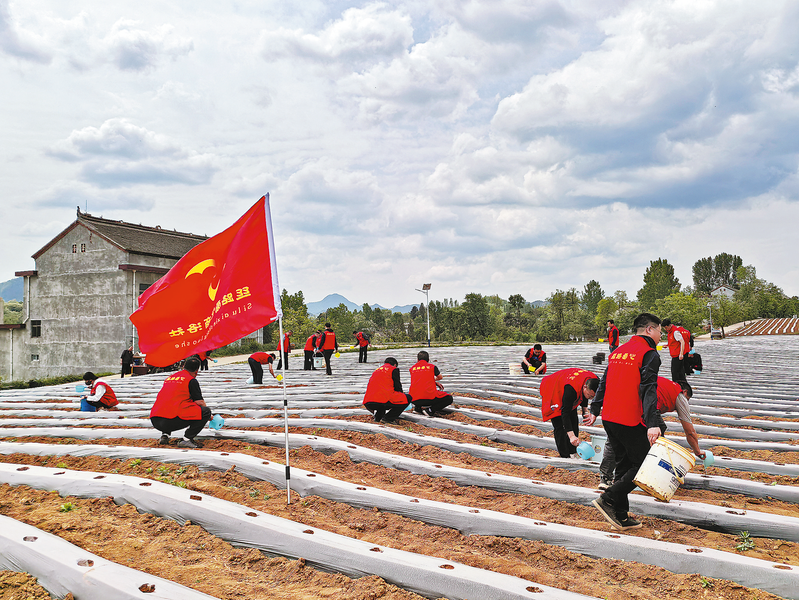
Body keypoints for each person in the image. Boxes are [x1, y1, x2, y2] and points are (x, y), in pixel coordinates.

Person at [585, 312, 662, 531]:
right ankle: (608, 498)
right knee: (644, 465)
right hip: (630, 419)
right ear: (649, 329)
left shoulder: (618, 352)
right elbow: (649, 389)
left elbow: (604, 382)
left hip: (610, 418)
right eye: (659, 331)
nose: (660, 336)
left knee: (623, 466)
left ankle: (620, 515)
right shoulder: (649, 354)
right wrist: (653, 423)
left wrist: (595, 408)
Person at [598, 378, 705, 489]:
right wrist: (697, 450)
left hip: (624, 400)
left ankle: (606, 478)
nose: (686, 402)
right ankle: (653, 477)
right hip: (643, 405)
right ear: (685, 392)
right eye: (687, 399)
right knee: (657, 438)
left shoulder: (664, 384)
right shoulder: (680, 395)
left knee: (615, 436)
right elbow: (689, 431)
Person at [149, 356, 212, 448]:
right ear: (196, 371)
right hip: (171, 420)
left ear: (183, 367)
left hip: (155, 419)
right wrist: (209, 416)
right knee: (205, 412)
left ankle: (165, 436)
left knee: (169, 404)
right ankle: (187, 439)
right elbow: (200, 402)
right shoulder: (191, 380)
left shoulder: (170, 378)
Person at [540, 368, 600, 458]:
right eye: (590, 396)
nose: (591, 398)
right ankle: (565, 456)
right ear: (584, 387)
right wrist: (571, 436)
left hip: (567, 384)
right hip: (554, 387)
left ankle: (572, 452)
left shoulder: (595, 381)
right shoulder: (571, 389)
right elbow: (565, 413)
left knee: (573, 421)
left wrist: (585, 411)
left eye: (593, 397)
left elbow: (584, 396)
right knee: (559, 424)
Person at [363, 357, 411, 423]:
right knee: (407, 398)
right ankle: (388, 418)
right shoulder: (393, 369)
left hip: (368, 401)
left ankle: (378, 417)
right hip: (383, 400)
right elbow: (397, 387)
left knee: (382, 395)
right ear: (395, 365)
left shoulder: (376, 370)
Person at [409, 350, 453, 416]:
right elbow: (440, 377)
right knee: (449, 398)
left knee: (418, 390)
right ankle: (430, 410)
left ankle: (417, 408)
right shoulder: (432, 367)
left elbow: (420, 380)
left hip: (413, 399)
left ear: (417, 360)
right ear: (428, 360)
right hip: (428, 398)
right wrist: (434, 380)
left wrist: (433, 381)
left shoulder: (412, 369)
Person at [661, 318, 690, 384]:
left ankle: (677, 386)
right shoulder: (670, 332)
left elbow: (682, 342)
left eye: (665, 328)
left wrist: (681, 354)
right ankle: (681, 385)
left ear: (669, 326)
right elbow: (674, 342)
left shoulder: (675, 332)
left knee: (676, 373)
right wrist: (668, 345)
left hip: (677, 355)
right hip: (674, 354)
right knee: (679, 372)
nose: (665, 329)